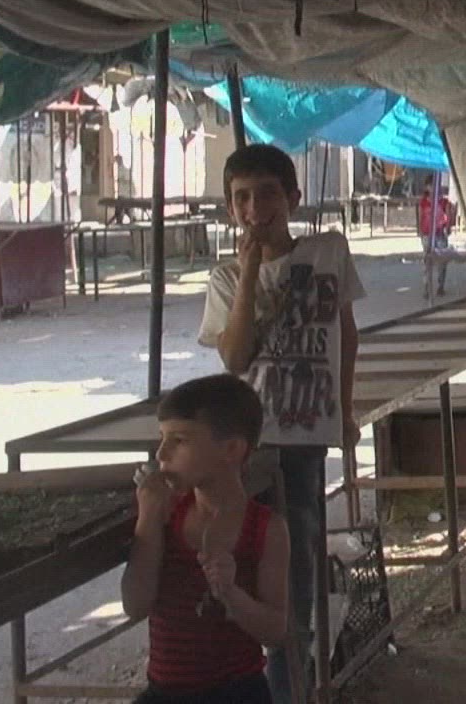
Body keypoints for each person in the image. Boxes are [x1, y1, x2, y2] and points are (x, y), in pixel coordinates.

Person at [199, 144, 366, 703]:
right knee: (241, 568)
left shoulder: (328, 251)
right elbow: (234, 358)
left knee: (296, 578)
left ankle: (290, 685)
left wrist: (345, 411)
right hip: (249, 448)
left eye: (267, 194)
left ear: (293, 198)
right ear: (230, 209)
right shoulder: (226, 278)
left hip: (303, 442)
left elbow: (347, 334)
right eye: (242, 198)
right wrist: (250, 270)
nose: (255, 209)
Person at [123, 374, 288, 704]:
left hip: (238, 693)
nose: (162, 454)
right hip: (165, 693)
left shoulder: (266, 528)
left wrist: (231, 594)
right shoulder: (166, 515)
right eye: (162, 438)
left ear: (231, 450)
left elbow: (274, 631)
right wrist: (147, 520)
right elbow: (135, 605)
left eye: (179, 440)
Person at [416, 175, 459, 294]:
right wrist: (420, 231)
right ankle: (427, 286)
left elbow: (449, 216)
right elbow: (420, 216)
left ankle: (441, 285)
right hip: (427, 234)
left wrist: (448, 227)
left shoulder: (444, 202)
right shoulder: (423, 202)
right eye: (431, 185)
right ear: (427, 187)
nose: (434, 188)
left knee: (442, 261)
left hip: (440, 234)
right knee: (427, 261)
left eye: (436, 185)